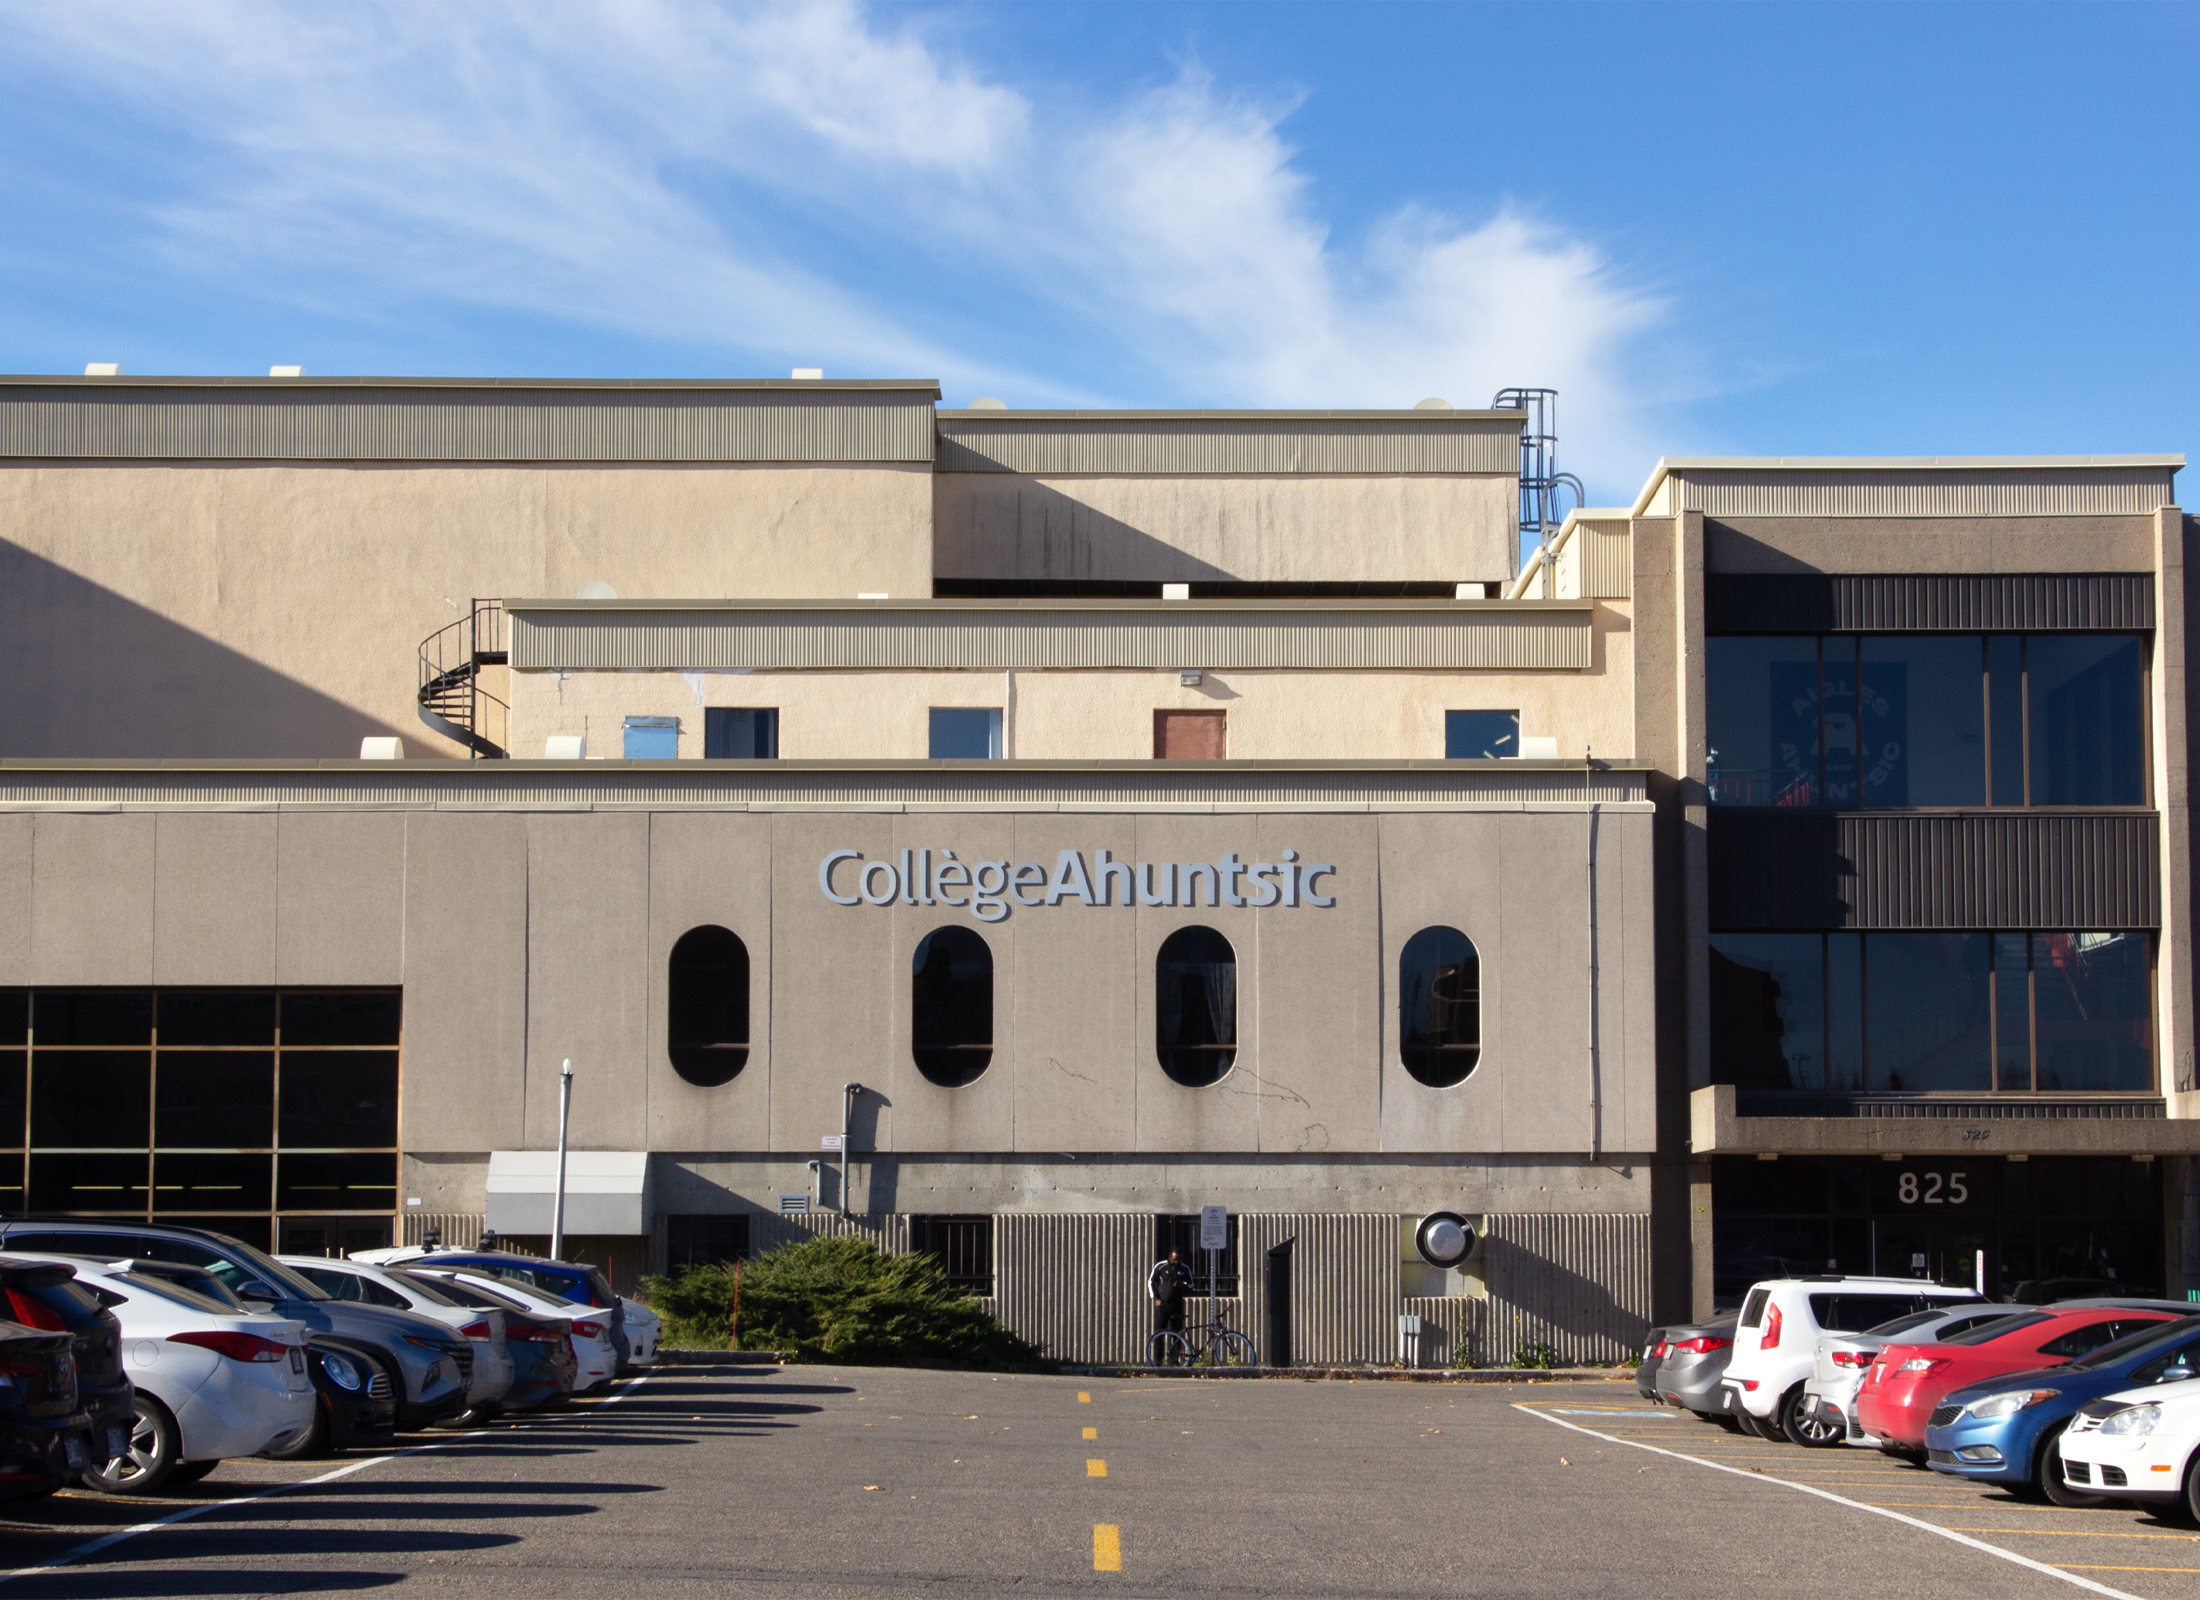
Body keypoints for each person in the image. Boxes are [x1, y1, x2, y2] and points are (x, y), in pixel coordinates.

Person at [1149, 1249, 1193, 1338]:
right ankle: (1158, 1352)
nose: (1176, 1262)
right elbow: (1151, 1282)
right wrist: (1155, 1298)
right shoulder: (1161, 1266)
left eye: (1179, 1260)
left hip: (1177, 1305)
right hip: (1163, 1303)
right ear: (1170, 1257)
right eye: (1174, 1260)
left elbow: (1191, 1284)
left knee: (1177, 1333)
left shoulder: (1184, 1268)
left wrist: (1182, 1285)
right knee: (1159, 1332)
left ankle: (1176, 1352)